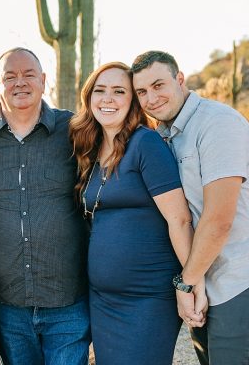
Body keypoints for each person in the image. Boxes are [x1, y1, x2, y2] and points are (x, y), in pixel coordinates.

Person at [131, 51, 249, 365]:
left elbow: (219, 219)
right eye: (141, 92)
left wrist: (185, 283)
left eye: (159, 85)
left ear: (180, 79)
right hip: (202, 273)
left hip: (241, 273)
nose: (151, 98)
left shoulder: (217, 124)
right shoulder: (164, 135)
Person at [70, 62, 198, 365]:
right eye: (100, 91)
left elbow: (179, 219)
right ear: (89, 98)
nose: (108, 99)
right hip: (102, 300)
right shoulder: (92, 149)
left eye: (119, 91)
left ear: (133, 100)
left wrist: (190, 284)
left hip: (147, 299)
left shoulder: (146, 143)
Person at [0, 48, 89, 365]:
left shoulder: (75, 129)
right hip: (8, 304)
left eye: (28, 74)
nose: (19, 82)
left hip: (67, 301)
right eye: (9, 76)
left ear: (44, 81)